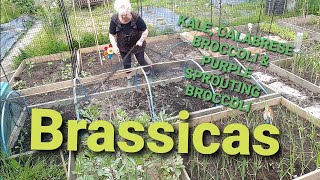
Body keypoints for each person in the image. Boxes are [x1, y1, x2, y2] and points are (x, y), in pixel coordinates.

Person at [109, 0, 151, 86]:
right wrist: (114, 46)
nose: (124, 17)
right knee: (126, 63)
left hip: (137, 44)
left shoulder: (136, 18)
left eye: (126, 15)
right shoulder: (114, 20)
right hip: (123, 45)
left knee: (141, 60)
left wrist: (141, 40)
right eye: (122, 15)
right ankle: (129, 79)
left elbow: (145, 31)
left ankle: (148, 74)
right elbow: (111, 34)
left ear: (129, 11)